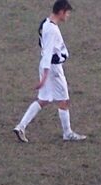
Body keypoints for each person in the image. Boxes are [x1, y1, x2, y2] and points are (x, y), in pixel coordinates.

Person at [13, 0, 86, 143]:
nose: (68, 16)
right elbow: (48, 54)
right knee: (63, 100)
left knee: (44, 99)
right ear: (61, 11)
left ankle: (21, 126)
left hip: (47, 67)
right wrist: (45, 76)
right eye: (67, 12)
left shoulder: (45, 24)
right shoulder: (52, 30)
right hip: (53, 69)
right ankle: (67, 133)